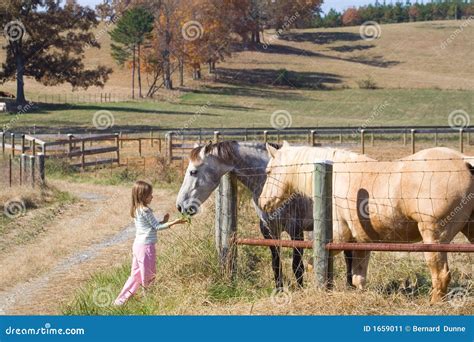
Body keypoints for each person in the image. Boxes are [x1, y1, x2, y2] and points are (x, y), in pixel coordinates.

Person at [114, 181, 186, 305]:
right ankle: (149, 299)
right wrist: (174, 222)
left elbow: (150, 226)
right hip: (146, 247)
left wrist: (164, 221)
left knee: (135, 275)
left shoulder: (137, 209)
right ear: (142, 196)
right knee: (148, 274)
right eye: (149, 195)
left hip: (138, 245)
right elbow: (157, 227)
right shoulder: (146, 210)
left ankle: (121, 301)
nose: (152, 196)